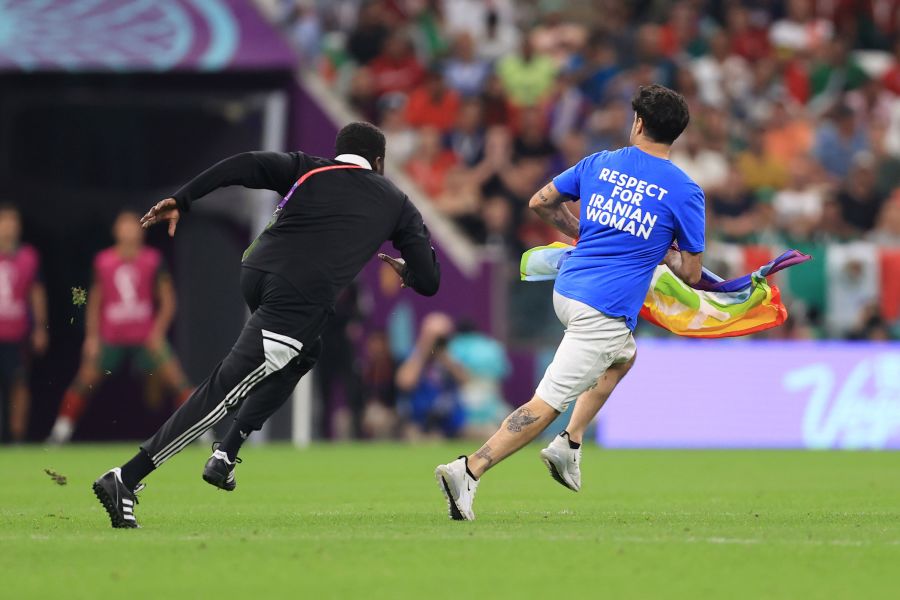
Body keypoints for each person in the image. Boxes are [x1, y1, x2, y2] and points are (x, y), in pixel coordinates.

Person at [92, 122, 440, 528]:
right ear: (378, 162)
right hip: (299, 295)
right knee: (222, 390)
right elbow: (430, 280)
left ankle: (225, 454)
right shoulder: (396, 202)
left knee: (305, 351)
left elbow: (242, 165)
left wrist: (183, 199)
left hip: (255, 270)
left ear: (338, 152)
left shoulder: (310, 168)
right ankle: (126, 478)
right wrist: (407, 270)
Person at [435, 84, 705, 520]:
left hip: (568, 289)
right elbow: (692, 275)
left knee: (622, 356)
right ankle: (468, 469)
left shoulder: (600, 162)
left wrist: (584, 234)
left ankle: (570, 443)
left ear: (638, 123)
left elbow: (540, 202)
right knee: (546, 404)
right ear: (677, 135)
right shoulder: (685, 191)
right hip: (604, 308)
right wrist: (663, 248)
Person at [47, 211, 192, 444]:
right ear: (115, 231)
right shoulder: (103, 261)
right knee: (84, 381)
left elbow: (168, 300)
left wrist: (157, 332)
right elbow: (94, 301)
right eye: (123, 225)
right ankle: (58, 435)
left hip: (145, 336)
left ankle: (205, 435)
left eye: (132, 225)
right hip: (111, 336)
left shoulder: (153, 260)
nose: (128, 231)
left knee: (177, 380)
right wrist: (92, 338)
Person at [0, 204, 48, 442]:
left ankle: (17, 438)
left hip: (16, 332)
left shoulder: (28, 257)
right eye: (4, 222)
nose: (9, 227)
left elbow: (36, 293)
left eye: (13, 222)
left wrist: (40, 327)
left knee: (18, 384)